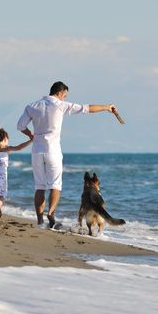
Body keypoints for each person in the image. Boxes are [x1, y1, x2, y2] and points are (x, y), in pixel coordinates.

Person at [16, 81, 117, 227]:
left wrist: (31, 135)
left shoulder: (32, 106)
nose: (65, 98)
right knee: (55, 185)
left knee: (39, 187)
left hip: (37, 151)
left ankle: (39, 221)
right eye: (65, 95)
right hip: (53, 151)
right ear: (60, 93)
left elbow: (20, 126)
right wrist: (107, 107)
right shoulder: (61, 105)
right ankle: (50, 212)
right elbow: (87, 108)